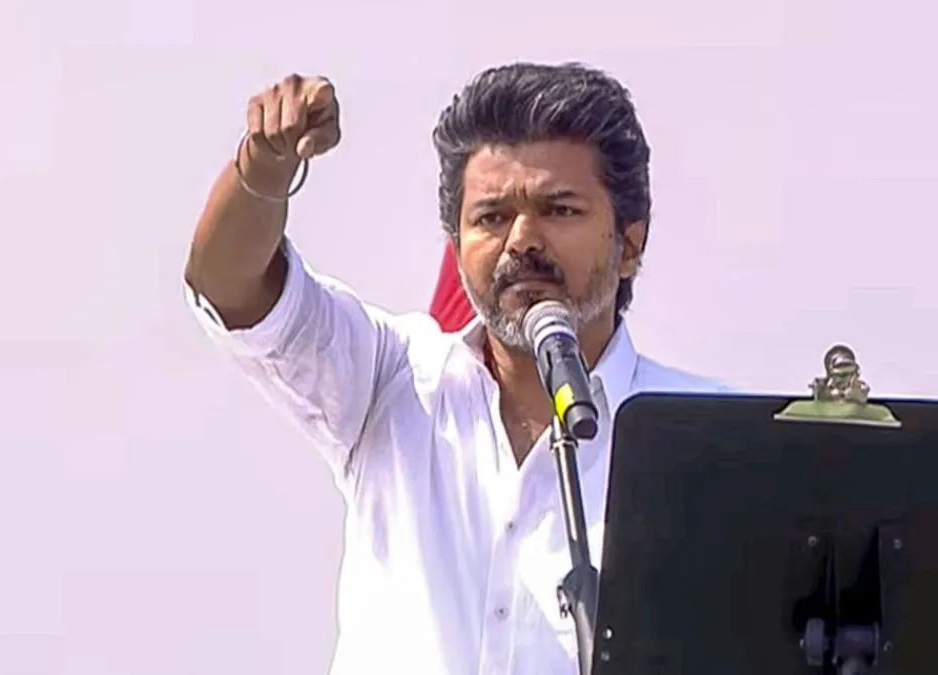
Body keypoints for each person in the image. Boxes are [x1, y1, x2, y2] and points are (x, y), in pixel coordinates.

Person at [183, 62, 732, 675]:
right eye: (491, 217)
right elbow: (229, 289)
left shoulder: (714, 442)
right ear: (457, 241)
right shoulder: (391, 379)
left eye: (560, 210)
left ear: (629, 244)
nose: (522, 240)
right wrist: (264, 166)